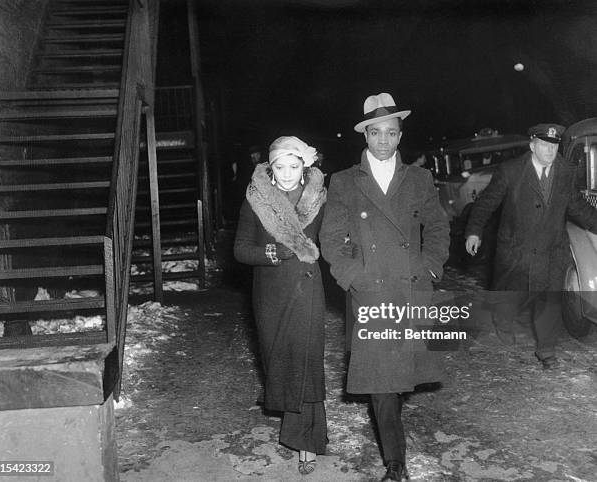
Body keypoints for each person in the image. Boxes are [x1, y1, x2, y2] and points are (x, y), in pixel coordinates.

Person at [320, 93, 450, 481]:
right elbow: (331, 238)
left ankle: (395, 442)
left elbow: (438, 227)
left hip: (411, 287)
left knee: (401, 376)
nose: (382, 140)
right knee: (382, 382)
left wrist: (430, 267)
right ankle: (396, 462)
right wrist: (353, 277)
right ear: (365, 135)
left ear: (399, 135)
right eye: (375, 132)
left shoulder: (419, 178)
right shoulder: (344, 182)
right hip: (371, 291)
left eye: (390, 133)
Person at [465, 123, 597, 369]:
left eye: (554, 145)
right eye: (545, 145)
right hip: (516, 249)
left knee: (549, 301)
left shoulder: (566, 172)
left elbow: (578, 207)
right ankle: (502, 321)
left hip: (552, 249)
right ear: (532, 145)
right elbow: (486, 203)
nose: (550, 151)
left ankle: (546, 352)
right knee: (510, 297)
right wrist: (474, 232)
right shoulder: (511, 171)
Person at [233, 136, 328, 475]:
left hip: (307, 289)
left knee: (307, 360)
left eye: (294, 166)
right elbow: (240, 250)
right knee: (281, 359)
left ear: (305, 166)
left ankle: (308, 442)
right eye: (280, 167)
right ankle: (296, 429)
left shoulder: (319, 197)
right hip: (270, 292)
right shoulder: (255, 200)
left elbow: (332, 239)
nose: (287, 174)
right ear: (269, 169)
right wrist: (272, 253)